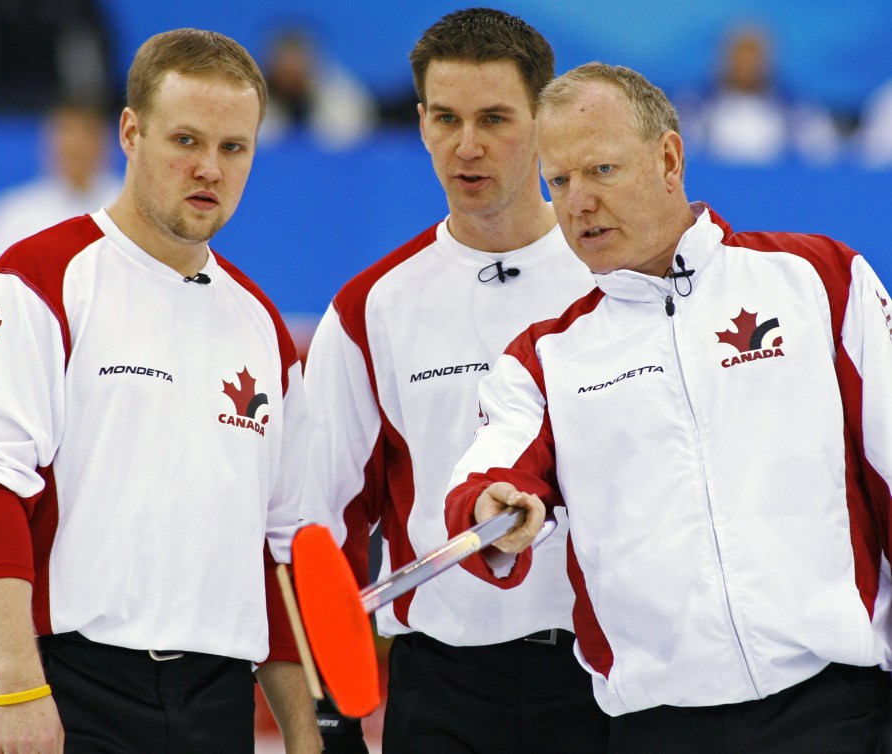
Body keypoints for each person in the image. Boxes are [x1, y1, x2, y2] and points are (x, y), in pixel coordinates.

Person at [445, 61, 892, 752]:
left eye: (601, 170)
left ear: (669, 158)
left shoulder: (819, 282)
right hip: (655, 727)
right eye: (558, 182)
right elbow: (491, 474)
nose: (577, 203)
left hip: (833, 708)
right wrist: (489, 505)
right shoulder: (544, 358)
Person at [0, 28, 321, 754]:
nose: (209, 169)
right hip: (66, 690)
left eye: (233, 147)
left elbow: (279, 549)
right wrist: (19, 687)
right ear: (130, 132)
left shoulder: (262, 328)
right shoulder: (36, 283)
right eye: (185, 140)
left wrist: (307, 732)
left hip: (218, 697)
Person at [300, 8, 609, 753]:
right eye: (446, 118)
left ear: (542, 121)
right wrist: (332, 712)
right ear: (420, 122)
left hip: (609, 678)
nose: (467, 147)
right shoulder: (370, 307)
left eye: (495, 118)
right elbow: (323, 524)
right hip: (442, 691)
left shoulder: (615, 279)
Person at [0, 98, 123, 296]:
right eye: (65, 131)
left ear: (108, 140)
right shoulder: (12, 212)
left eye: (86, 132)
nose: (74, 144)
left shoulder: (129, 207)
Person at [679, 24, 842, 166]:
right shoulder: (693, 108)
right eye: (739, 53)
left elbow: (824, 159)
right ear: (723, 57)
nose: (746, 63)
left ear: (768, 59)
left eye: (753, 55)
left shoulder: (799, 112)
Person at [258, 25, 376, 150]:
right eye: (284, 67)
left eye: (296, 70)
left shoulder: (337, 91)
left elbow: (348, 135)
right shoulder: (251, 93)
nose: (290, 75)